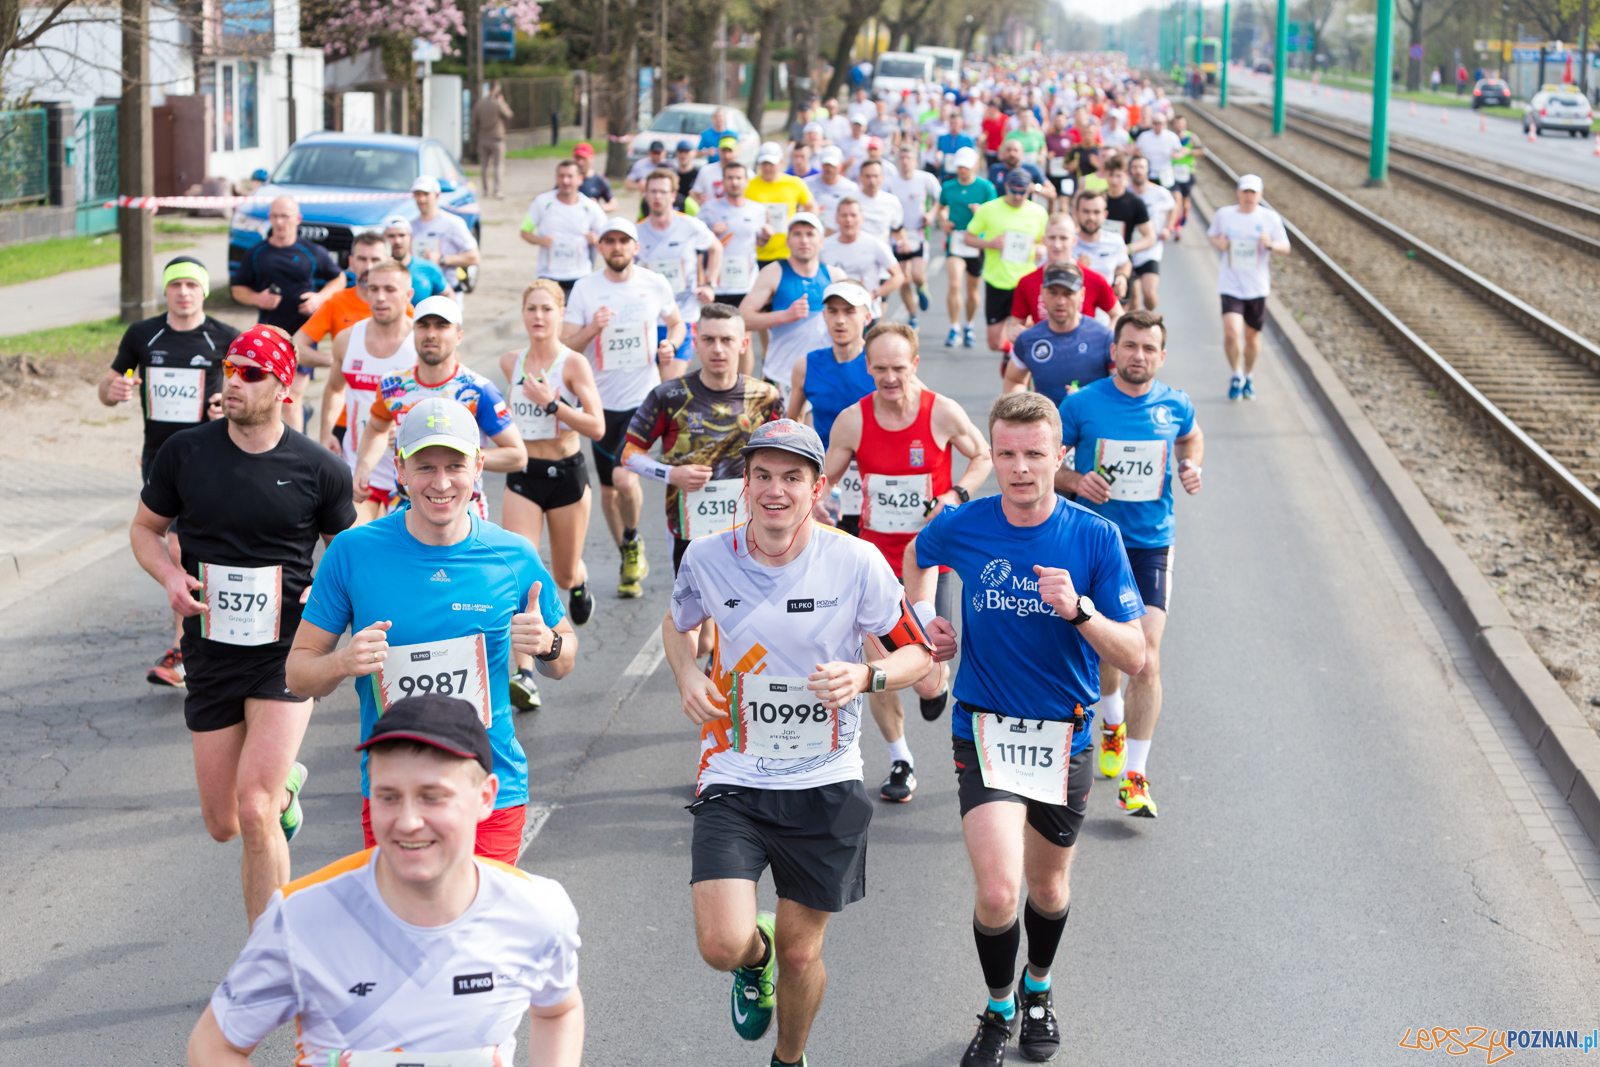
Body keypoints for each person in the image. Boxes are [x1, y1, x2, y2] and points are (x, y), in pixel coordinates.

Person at [664, 418, 934, 1067]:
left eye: (792, 477)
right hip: (733, 770)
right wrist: (687, 673)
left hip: (825, 779)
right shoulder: (707, 556)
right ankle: (750, 959)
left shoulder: (856, 561)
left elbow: (917, 655)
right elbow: (678, 622)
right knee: (722, 944)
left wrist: (866, 675)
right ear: (746, 483)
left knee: (802, 952)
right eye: (762, 475)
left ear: (817, 487)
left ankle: (789, 1059)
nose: (775, 490)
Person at [903, 391, 1146, 1067]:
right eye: (1006, 453)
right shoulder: (965, 523)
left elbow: (1134, 654)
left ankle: (1038, 987)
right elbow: (918, 554)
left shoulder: (1094, 536)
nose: (1019, 468)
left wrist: (1080, 611)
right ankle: (999, 1005)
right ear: (993, 452)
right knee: (998, 890)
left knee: (1047, 888)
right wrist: (923, 614)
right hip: (983, 726)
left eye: (1035, 454)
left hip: (1063, 735)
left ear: (1060, 455)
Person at [185, 695, 584, 1066]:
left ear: (485, 797)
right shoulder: (299, 917)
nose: (408, 822)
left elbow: (559, 1009)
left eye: (432, 796)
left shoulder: (536, 911)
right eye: (388, 796)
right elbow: (213, 1045)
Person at [131, 324, 355, 925]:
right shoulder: (186, 453)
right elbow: (146, 529)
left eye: (250, 373)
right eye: (230, 368)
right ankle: (288, 787)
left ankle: (270, 954)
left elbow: (346, 549)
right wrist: (170, 577)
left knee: (255, 809)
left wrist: (324, 591)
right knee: (225, 823)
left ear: (283, 388)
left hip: (285, 653)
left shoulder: (319, 469)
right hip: (209, 651)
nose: (233, 382)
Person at [289, 395, 578, 860]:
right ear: (400, 469)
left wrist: (548, 644)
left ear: (478, 467)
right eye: (425, 467)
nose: (441, 483)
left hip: (489, 789)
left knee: (482, 911)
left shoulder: (513, 556)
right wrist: (342, 662)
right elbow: (298, 674)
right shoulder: (352, 551)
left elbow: (564, 660)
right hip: (395, 794)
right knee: (404, 911)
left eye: (455, 466)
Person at [823, 323, 992, 802]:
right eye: (880, 368)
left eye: (898, 368)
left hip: (930, 561)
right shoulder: (853, 421)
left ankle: (935, 685)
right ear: (867, 367)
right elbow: (824, 480)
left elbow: (981, 455)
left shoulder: (942, 412)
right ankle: (901, 760)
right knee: (876, 666)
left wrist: (955, 494)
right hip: (874, 564)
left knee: (926, 676)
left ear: (915, 364)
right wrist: (817, 503)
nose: (890, 378)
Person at [1056, 310, 1202, 818]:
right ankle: (1112, 718)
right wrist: (1075, 480)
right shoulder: (1082, 404)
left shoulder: (1175, 404)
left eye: (1149, 348)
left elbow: (1191, 436)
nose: (1139, 355)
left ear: (1162, 356)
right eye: (1130, 346)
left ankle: (1135, 777)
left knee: (1145, 657)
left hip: (1150, 544)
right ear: (1114, 350)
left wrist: (1191, 463)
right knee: (1106, 648)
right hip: (1096, 542)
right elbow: (1047, 462)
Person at [102, 255, 238, 688]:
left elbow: (245, 390)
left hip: (214, 456)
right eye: (175, 284)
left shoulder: (224, 338)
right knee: (179, 547)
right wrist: (114, 389)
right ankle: (187, 646)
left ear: (203, 291)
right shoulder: (143, 335)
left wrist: (225, 408)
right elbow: (108, 386)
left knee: (201, 546)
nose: (183, 292)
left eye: (192, 285)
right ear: (165, 290)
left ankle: (206, 638)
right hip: (160, 459)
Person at [560, 216, 687, 598]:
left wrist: (670, 345)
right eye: (610, 241)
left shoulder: (654, 282)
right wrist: (592, 329)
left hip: (642, 402)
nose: (617, 247)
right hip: (599, 405)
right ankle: (627, 557)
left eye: (624, 240)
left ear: (636, 247)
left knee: (624, 479)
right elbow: (565, 346)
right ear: (600, 247)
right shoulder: (585, 288)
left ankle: (632, 538)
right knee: (608, 491)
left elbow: (677, 323)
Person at [621, 302, 783, 579]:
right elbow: (629, 455)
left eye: (726, 340)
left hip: (752, 526)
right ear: (695, 343)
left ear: (743, 344)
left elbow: (786, 458)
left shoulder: (766, 397)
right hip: (688, 527)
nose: (717, 349)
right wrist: (671, 474)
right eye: (708, 339)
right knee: (694, 605)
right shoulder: (669, 395)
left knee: (751, 602)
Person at [353, 296, 527, 526]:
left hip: (461, 509)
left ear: (459, 335)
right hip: (404, 507)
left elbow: (517, 456)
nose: (431, 334)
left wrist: (460, 457)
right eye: (423, 325)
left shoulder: (478, 390)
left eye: (442, 326)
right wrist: (363, 468)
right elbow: (377, 428)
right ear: (413, 331)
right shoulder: (393, 385)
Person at [499, 280, 606, 644]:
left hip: (565, 475)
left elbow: (597, 427)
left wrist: (552, 404)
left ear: (561, 314)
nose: (539, 316)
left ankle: (579, 580)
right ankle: (526, 666)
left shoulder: (572, 363)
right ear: (523, 314)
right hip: (523, 474)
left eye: (547, 309)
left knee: (562, 575)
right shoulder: (510, 362)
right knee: (518, 569)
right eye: (531, 308)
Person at [228, 195, 344, 431]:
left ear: (297, 219)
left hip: (304, 336)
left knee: (290, 399)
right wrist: (258, 298)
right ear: (269, 218)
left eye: (285, 216)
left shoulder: (312, 252)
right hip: (269, 337)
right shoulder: (257, 253)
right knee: (271, 399)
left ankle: (296, 448)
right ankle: (299, 419)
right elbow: (238, 289)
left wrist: (319, 298)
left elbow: (339, 279)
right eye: (275, 216)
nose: (280, 222)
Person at [318, 259, 418, 524]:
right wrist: (326, 433)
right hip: (360, 470)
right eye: (373, 289)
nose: (380, 297)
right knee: (352, 543)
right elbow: (335, 388)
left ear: (408, 295)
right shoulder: (347, 339)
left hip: (409, 473)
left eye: (390, 289)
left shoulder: (421, 344)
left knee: (402, 550)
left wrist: (408, 427)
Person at [739, 213, 844, 401]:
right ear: (787, 241)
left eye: (810, 234)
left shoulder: (835, 276)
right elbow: (741, 319)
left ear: (821, 241)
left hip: (825, 376)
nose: (804, 240)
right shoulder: (773, 272)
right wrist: (784, 316)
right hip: (781, 377)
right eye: (797, 234)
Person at [1206, 173, 1290, 400]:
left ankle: (1249, 376)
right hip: (1230, 283)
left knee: (1252, 338)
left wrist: (1270, 244)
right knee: (1232, 333)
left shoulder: (1270, 218)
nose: (1249, 196)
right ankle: (1236, 374)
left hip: (1257, 286)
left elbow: (1285, 247)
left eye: (1253, 192)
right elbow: (1212, 235)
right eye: (1245, 191)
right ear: (1238, 192)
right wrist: (1219, 242)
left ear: (1260, 194)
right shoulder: (1225, 214)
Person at [638, 167, 721, 362]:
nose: (658, 196)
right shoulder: (636, 232)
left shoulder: (690, 225)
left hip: (684, 314)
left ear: (673, 195)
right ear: (646, 195)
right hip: (649, 317)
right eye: (653, 191)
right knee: (652, 377)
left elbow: (716, 248)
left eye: (663, 191)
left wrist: (709, 284)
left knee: (673, 377)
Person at [966, 169, 1049, 354]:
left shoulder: (1038, 213)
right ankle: (1010, 353)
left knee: (1026, 335)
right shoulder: (988, 209)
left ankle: (1016, 361)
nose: (1018, 196)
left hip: (1025, 282)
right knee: (994, 343)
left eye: (1023, 192)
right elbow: (968, 238)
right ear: (1006, 187)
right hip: (997, 281)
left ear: (1029, 190)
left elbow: (1044, 242)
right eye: (1014, 191)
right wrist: (989, 244)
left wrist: (1042, 249)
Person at [1005, 262, 1114, 402]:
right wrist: (1020, 406)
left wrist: (1087, 398)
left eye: (1068, 293)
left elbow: (1120, 389)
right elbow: (1014, 380)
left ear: (1082, 294)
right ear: (1042, 292)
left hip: (1092, 415)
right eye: (1053, 292)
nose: (1060, 301)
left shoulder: (1104, 337)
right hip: (1046, 416)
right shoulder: (1027, 339)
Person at [1006, 213, 1121, 340]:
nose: (1057, 244)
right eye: (1052, 237)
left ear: (1074, 241)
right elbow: (1015, 326)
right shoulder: (1027, 282)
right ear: (1044, 240)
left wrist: (1106, 341)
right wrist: (1016, 334)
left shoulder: (1094, 279)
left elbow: (1118, 315)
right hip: (1044, 349)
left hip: (1084, 349)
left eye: (1063, 238)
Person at [699, 158, 774, 321]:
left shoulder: (757, 210)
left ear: (746, 182)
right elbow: (697, 245)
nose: (734, 182)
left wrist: (766, 237)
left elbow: (759, 244)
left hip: (746, 282)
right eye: (730, 178)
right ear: (723, 181)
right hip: (718, 284)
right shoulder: (708, 209)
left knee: (745, 328)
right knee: (719, 327)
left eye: (739, 178)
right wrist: (712, 234)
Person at [520, 160, 607, 297]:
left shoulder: (590, 206)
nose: (565, 181)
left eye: (570, 176)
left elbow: (606, 235)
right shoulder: (542, 202)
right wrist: (540, 241)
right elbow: (525, 231)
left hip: (580, 275)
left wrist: (595, 239)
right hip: (548, 274)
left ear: (580, 179)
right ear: (556, 178)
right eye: (561, 176)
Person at [938, 147, 995, 349]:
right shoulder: (948, 187)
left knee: (972, 291)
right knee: (954, 284)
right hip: (956, 239)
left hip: (976, 242)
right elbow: (941, 208)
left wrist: (981, 212)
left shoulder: (985, 187)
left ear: (975, 165)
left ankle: (968, 326)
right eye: (960, 166)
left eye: (966, 166)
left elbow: (994, 216)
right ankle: (954, 327)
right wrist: (944, 221)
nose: (962, 170)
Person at [819, 198, 903, 322]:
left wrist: (875, 294)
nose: (848, 220)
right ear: (836, 218)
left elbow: (898, 276)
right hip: (835, 317)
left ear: (862, 219)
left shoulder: (875, 244)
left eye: (853, 215)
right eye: (844, 215)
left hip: (867, 314)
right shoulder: (824, 246)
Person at [885, 143, 941, 327]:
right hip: (898, 234)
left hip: (919, 232)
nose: (905, 161)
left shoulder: (926, 179)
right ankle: (912, 314)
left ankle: (921, 287)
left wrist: (931, 214)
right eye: (902, 158)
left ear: (916, 161)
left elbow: (939, 199)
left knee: (917, 275)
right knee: (903, 279)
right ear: (897, 161)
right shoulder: (890, 182)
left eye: (909, 158)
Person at [409, 176, 481, 308]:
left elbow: (474, 257)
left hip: (448, 294)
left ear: (437, 195)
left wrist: (442, 259)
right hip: (420, 297)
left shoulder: (453, 223)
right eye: (417, 194)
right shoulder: (410, 227)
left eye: (426, 194)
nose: (421, 199)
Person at [745, 143, 815, 267]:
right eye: (764, 163)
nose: (767, 168)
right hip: (755, 253)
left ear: (781, 162)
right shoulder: (748, 186)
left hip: (787, 253)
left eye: (771, 163)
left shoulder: (794, 183)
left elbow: (811, 206)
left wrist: (802, 227)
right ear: (759, 163)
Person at [1127, 155, 1176, 310]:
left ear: (1147, 170)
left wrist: (1168, 228)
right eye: (1134, 167)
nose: (1138, 171)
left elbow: (1173, 207)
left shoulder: (1159, 192)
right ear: (1130, 170)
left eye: (1141, 167)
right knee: (1133, 300)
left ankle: (1150, 316)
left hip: (1151, 249)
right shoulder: (1125, 192)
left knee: (1149, 294)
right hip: (1129, 248)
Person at [1072, 189, 1132, 305]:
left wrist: (1122, 277)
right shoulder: (1065, 242)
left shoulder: (1115, 241)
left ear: (1105, 215)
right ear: (1076, 213)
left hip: (1105, 307)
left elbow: (1125, 263)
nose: (1091, 217)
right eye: (1086, 211)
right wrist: (1080, 270)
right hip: (1074, 307)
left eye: (1096, 212)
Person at [380, 214, 451, 300]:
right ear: (383, 239)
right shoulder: (376, 271)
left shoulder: (428, 267)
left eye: (402, 235)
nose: (397, 241)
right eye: (391, 236)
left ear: (411, 238)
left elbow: (448, 294)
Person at [1099, 155, 1155, 258]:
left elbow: (1150, 238)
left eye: (1118, 176)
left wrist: (1127, 249)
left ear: (1126, 176)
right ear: (1104, 174)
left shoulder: (1135, 203)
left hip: (1120, 259)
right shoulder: (1097, 200)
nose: (1114, 181)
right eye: (1110, 175)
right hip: (1097, 255)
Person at [472, 80, 515, 199]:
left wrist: (480, 131)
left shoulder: (479, 104)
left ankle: (486, 191)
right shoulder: (498, 104)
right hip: (497, 138)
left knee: (484, 166)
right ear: (496, 89)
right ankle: (497, 190)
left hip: (483, 138)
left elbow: (474, 121)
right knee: (498, 165)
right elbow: (509, 115)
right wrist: (502, 102)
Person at [804, 146, 862, 233]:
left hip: (839, 234)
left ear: (840, 165)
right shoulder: (806, 184)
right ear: (821, 164)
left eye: (833, 165)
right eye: (826, 164)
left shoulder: (851, 188)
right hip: (811, 232)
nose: (829, 168)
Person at [1168, 114, 1202, 240]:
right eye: (1177, 123)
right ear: (1173, 125)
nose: (1179, 126)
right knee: (1176, 198)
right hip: (1173, 173)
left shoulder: (1191, 137)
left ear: (1185, 124)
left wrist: (1189, 151)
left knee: (1185, 202)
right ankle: (1177, 227)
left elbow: (1202, 151)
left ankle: (1184, 214)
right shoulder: (1170, 137)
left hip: (1188, 173)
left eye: (1181, 123)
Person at [1132, 110, 1183, 189]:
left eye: (1159, 123)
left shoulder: (1172, 137)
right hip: (1149, 173)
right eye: (1155, 123)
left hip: (1165, 173)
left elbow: (1179, 151)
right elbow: (1136, 152)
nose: (1157, 125)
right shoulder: (1144, 136)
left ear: (1164, 123)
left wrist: (1177, 155)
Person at [692, 136, 741, 205]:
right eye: (723, 151)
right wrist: (701, 204)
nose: (727, 155)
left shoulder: (746, 173)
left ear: (737, 152)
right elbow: (695, 194)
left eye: (730, 151)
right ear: (718, 151)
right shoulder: (706, 170)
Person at [571, 142, 616, 212]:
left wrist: (597, 207)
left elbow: (613, 204)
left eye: (583, 158)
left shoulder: (599, 180)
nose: (580, 162)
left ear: (592, 158)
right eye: (577, 158)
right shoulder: (567, 179)